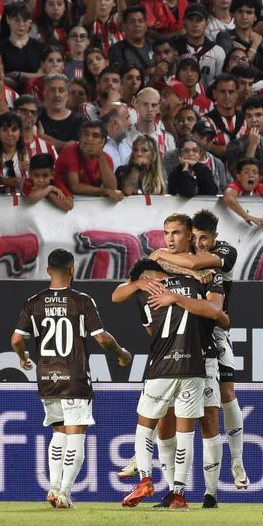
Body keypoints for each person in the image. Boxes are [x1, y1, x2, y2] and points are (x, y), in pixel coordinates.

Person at [111, 213, 229, 509]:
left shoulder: (203, 268)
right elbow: (121, 292)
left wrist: (165, 292)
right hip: (192, 363)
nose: (170, 239)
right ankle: (176, 491)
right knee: (175, 428)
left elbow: (220, 315)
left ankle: (152, 479)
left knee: (174, 425)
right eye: (166, 234)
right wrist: (141, 284)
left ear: (190, 235)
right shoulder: (166, 269)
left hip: (187, 360)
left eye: (176, 233)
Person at [11, 248, 132, 509]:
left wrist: (22, 357)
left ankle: (54, 488)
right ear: (72, 269)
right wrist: (121, 354)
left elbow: (16, 339)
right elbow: (101, 337)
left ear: (47, 271)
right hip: (74, 376)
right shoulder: (81, 301)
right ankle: (65, 492)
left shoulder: (34, 301)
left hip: (47, 377)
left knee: (59, 433)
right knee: (76, 435)